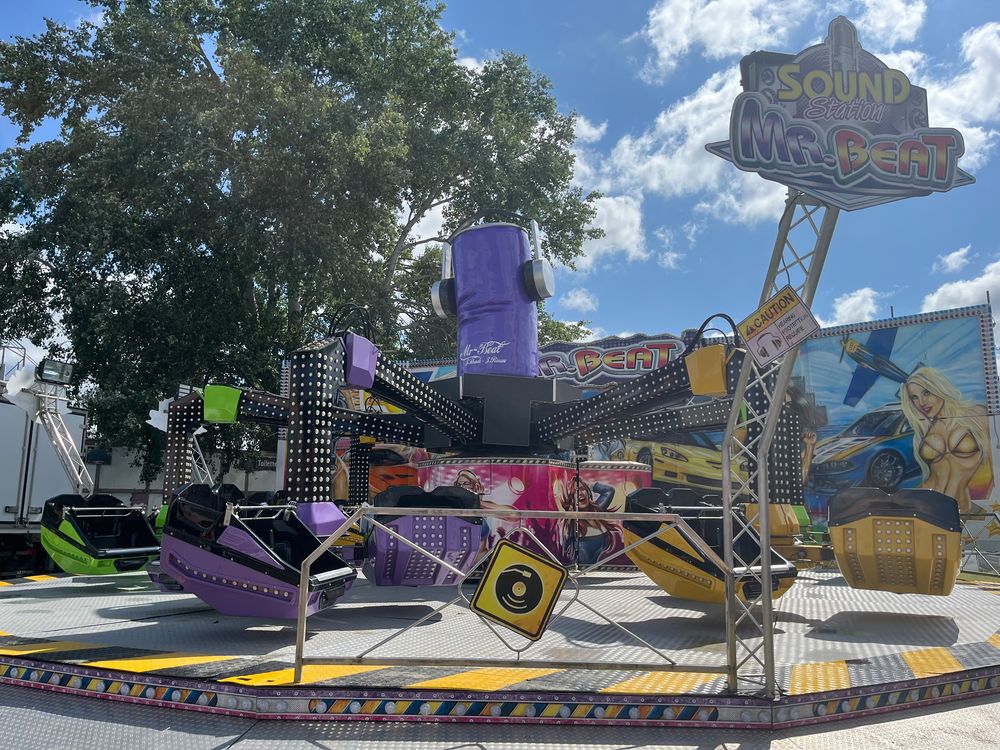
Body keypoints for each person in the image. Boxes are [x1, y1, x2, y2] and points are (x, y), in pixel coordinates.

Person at [899, 367, 990, 513]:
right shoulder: (923, 434)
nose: (921, 402)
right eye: (914, 397)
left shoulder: (977, 415)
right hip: (929, 506)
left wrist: (989, 499)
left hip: (963, 507)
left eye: (926, 392)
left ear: (939, 388)